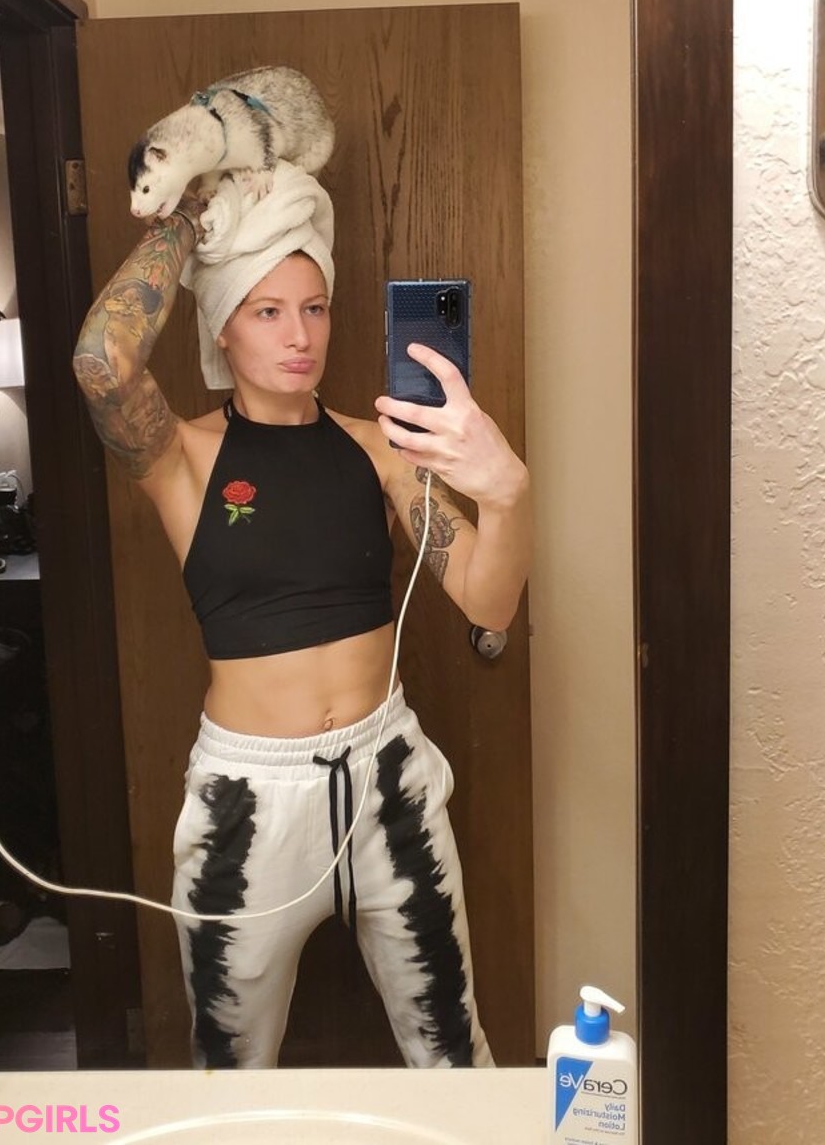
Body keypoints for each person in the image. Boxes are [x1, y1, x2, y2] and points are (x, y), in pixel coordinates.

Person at [73, 160, 531, 1070]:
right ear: (222, 324)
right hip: (248, 802)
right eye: (266, 310)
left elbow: (488, 598)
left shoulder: (380, 450)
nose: (299, 335)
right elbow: (102, 361)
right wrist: (192, 218)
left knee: (454, 1051)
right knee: (231, 1071)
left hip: (389, 779)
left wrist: (507, 493)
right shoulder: (184, 458)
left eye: (314, 307)